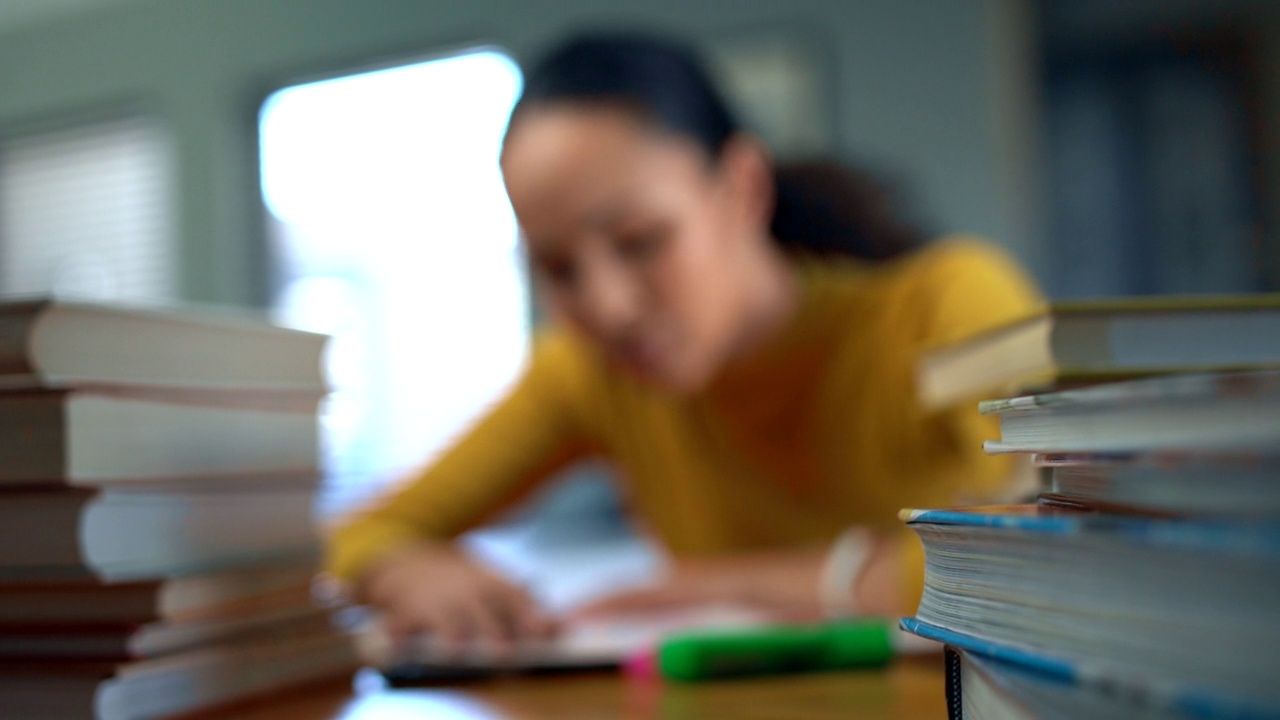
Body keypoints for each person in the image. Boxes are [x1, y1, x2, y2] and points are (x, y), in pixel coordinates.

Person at [325, 31, 1042, 648]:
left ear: (741, 188)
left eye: (641, 241)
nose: (607, 307)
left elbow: (1061, 542)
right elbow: (358, 536)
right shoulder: (586, 374)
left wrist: (722, 587)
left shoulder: (944, 307)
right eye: (558, 268)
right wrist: (405, 567)